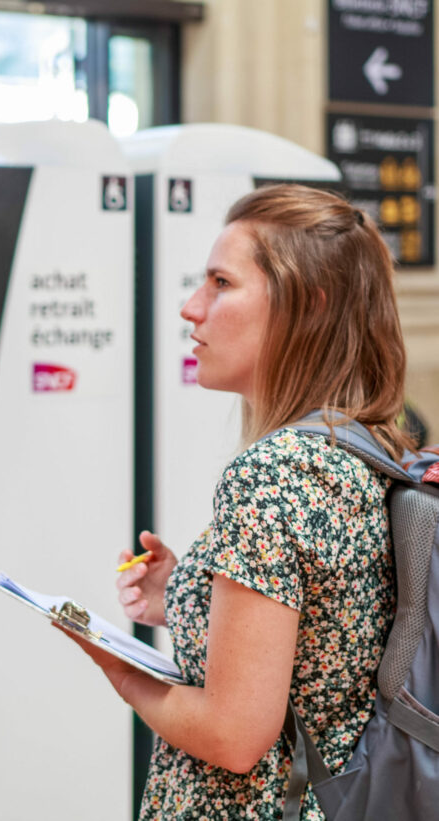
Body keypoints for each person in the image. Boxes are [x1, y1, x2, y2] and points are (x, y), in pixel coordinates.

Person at [60, 184, 411, 819]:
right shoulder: (362, 447)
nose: (192, 309)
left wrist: (120, 669)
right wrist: (188, 591)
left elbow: (235, 736)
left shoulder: (274, 474)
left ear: (309, 308)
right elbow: (321, 645)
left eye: (222, 283)